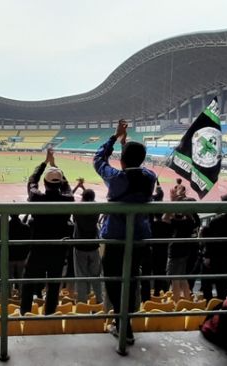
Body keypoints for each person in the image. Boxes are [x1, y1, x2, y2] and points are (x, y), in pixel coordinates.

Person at [94, 119, 156, 345]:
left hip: (115, 238)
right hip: (140, 237)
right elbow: (134, 167)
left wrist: (114, 137)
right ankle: (125, 322)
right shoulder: (150, 177)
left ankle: (122, 325)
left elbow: (99, 160)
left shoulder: (116, 178)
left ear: (121, 160)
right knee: (131, 278)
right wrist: (125, 144)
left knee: (113, 280)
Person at [20, 149, 74, 315]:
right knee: (53, 286)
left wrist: (45, 163)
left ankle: (25, 314)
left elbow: (32, 181)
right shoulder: (68, 199)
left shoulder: (36, 197)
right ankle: (49, 314)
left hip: (38, 248)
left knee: (28, 283)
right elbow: (67, 187)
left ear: (45, 182)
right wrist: (55, 167)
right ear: (60, 184)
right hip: (58, 250)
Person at [199, 194, 227, 301]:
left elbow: (210, 241)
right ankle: (220, 304)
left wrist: (207, 256)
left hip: (214, 256)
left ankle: (209, 303)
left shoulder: (216, 221)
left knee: (206, 282)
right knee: (223, 284)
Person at [72, 188, 103, 304]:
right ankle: (100, 301)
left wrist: (79, 187)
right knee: (96, 277)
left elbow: (73, 202)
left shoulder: (78, 211)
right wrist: (85, 190)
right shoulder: (96, 210)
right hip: (93, 246)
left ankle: (82, 304)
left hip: (80, 247)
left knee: (81, 276)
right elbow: (92, 201)